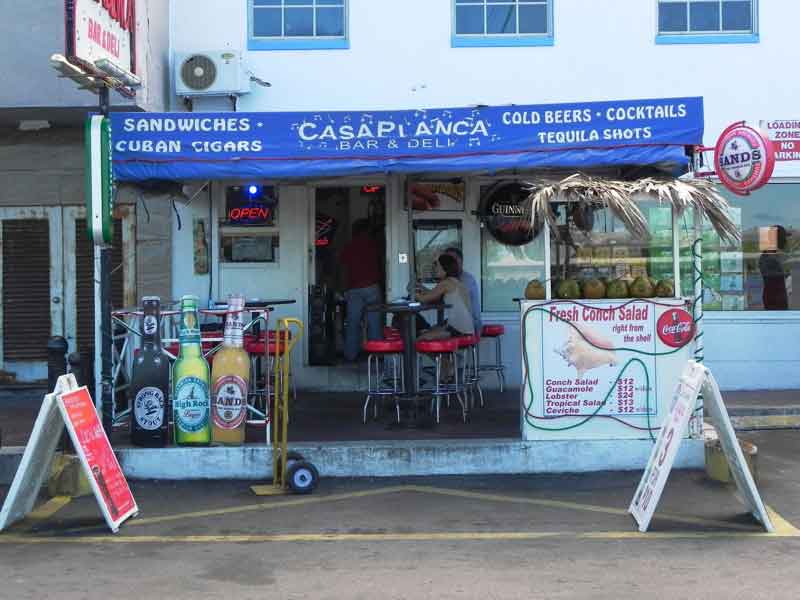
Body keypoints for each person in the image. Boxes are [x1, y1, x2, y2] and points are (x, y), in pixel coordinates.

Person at [339, 219, 382, 361]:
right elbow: (381, 263)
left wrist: (343, 289)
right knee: (374, 323)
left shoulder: (349, 245)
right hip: (372, 287)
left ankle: (350, 355)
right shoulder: (374, 244)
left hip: (354, 289)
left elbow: (343, 269)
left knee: (353, 323)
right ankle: (377, 355)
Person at [416, 254, 475, 340]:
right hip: (467, 329)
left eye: (437, 266)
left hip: (458, 330)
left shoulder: (446, 283)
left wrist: (413, 292)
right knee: (428, 330)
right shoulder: (457, 282)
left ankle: (437, 353)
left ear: (445, 268)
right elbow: (433, 293)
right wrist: (421, 287)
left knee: (420, 338)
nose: (435, 269)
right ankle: (441, 353)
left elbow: (423, 299)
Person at [444, 247, 481, 335]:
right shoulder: (449, 280)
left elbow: (436, 297)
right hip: (460, 323)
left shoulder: (466, 280)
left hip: (470, 325)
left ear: (460, 261)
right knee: (429, 330)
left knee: (426, 336)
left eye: (450, 260)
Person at [759, 225, 789, 310]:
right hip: (775, 302)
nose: (786, 241)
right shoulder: (769, 258)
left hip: (775, 300)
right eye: (783, 237)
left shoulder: (770, 256)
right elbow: (773, 278)